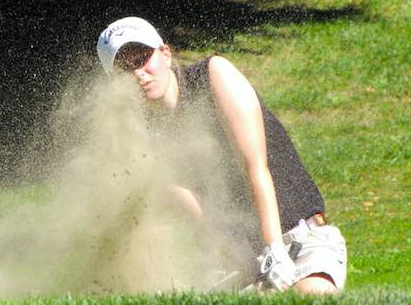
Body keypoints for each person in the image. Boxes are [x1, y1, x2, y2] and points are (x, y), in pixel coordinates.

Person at [96, 16, 347, 294]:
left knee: (311, 294)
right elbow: (202, 215)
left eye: (142, 58)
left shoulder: (213, 75)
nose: (138, 74)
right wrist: (249, 268)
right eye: (124, 70)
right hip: (239, 261)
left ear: (165, 54)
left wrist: (274, 249)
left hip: (301, 241)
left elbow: (255, 166)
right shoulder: (141, 135)